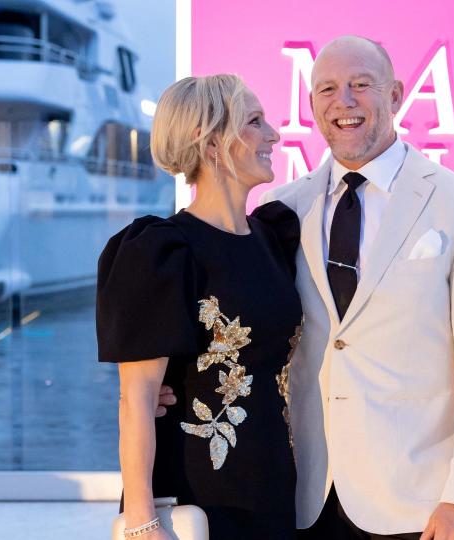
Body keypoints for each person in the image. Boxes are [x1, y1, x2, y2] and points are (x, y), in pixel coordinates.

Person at [160, 35, 454, 540]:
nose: (343, 102)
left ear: (395, 96)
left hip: (417, 504)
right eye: (327, 88)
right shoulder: (280, 213)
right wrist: (160, 383)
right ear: (311, 106)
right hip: (302, 495)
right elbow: (238, 326)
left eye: (360, 85)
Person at [97, 74, 302, 539]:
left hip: (273, 483)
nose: (273, 135)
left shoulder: (274, 237)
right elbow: (138, 400)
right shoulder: (161, 252)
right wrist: (142, 523)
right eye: (254, 122)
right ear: (211, 142)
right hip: (197, 492)